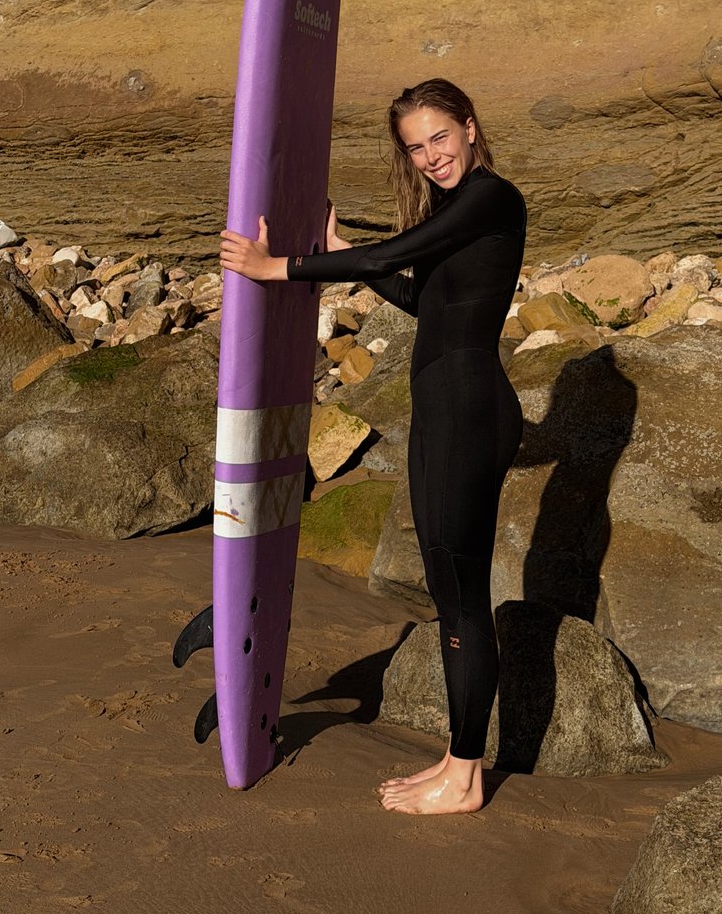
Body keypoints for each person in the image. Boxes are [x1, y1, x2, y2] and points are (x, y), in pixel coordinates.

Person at [220, 78, 527, 815]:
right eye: (415, 146)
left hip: (469, 413)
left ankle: (464, 774)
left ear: (471, 126)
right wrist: (341, 248)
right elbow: (426, 298)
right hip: (449, 412)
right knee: (452, 597)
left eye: (440, 137)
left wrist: (279, 268)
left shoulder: (491, 196)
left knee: (462, 603)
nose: (430, 156)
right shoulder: (458, 208)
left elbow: (390, 257)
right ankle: (458, 763)